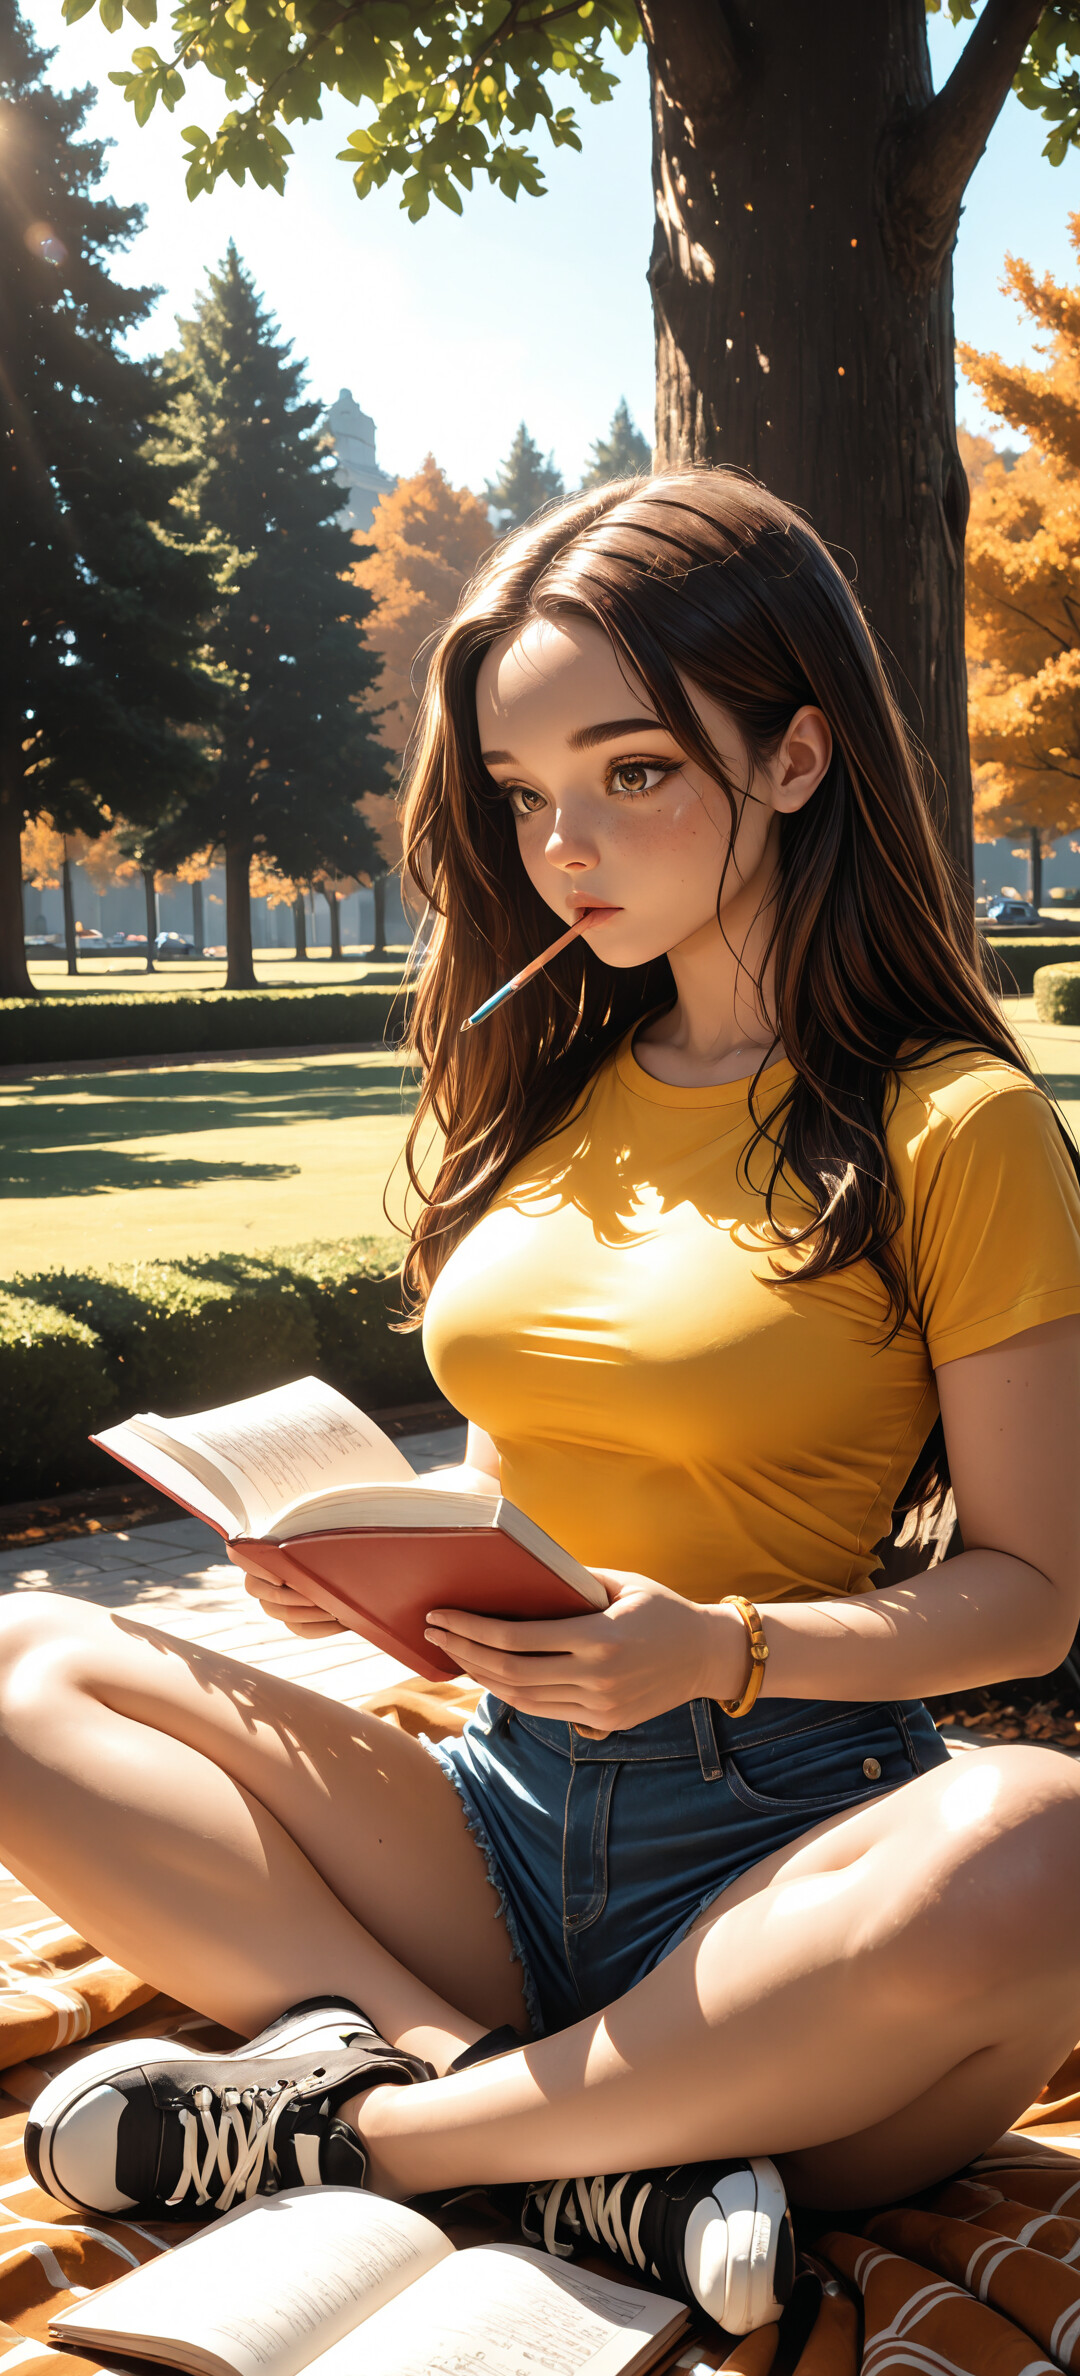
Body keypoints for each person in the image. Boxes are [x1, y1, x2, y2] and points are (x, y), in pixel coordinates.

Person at [12, 473, 1080, 2339]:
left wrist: (720, 1648)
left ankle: (391, 2139)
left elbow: (1036, 1593)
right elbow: (539, 1483)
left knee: (1047, 1836)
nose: (564, 843)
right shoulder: (554, 1089)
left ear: (801, 755)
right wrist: (371, 1576)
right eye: (522, 795)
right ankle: (521, 2114)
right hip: (499, 1819)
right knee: (25, 1667)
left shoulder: (954, 1124)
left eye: (633, 772)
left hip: (794, 1868)